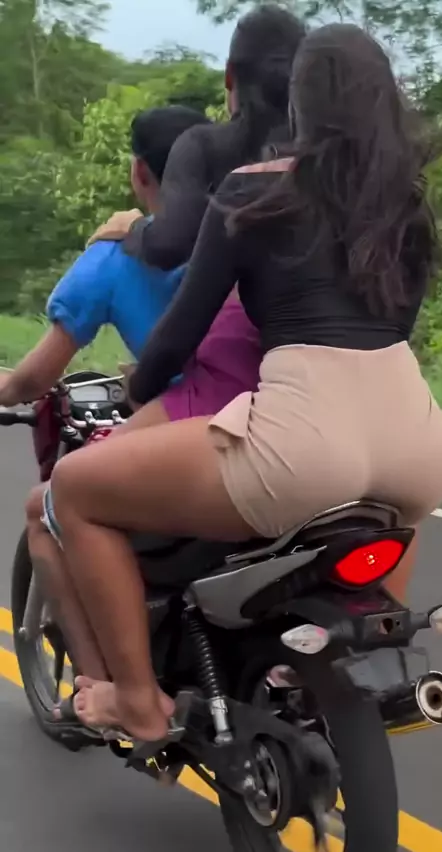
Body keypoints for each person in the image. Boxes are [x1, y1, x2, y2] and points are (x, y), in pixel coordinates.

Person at [45, 23, 442, 743]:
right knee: (391, 513)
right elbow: (394, 325)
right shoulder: (407, 205)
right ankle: (334, 678)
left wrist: (140, 391)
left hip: (304, 438)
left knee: (74, 491)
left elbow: (181, 332)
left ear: (300, 102)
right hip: (421, 444)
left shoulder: (252, 191)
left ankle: (136, 701)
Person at [24, 3, 305, 698]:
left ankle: (119, 691)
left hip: (216, 400)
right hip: (332, 401)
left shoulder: (190, 202)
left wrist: (141, 381)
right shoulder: (342, 169)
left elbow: (180, 327)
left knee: (59, 502)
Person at [0, 106, 214, 409]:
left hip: (191, 418)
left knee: (90, 448)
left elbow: (31, 382)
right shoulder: (252, 229)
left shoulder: (109, 258)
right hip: (270, 407)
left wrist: (9, 388)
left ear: (139, 171)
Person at [86, 3, 306, 268]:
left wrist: (134, 227)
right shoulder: (332, 143)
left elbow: (168, 245)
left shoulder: (203, 146)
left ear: (229, 76)